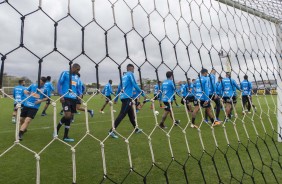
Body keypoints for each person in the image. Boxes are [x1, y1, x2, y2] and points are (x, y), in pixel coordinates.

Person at [108, 64, 145, 138]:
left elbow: (119, 88)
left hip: (124, 97)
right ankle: (111, 131)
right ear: (131, 69)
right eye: (133, 69)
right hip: (127, 98)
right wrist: (143, 94)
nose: (133, 71)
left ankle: (136, 129)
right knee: (122, 114)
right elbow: (134, 84)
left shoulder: (123, 77)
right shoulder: (130, 74)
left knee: (131, 115)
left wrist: (116, 99)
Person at [56, 63, 82, 142]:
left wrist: (80, 94)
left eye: (79, 70)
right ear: (73, 67)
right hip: (66, 97)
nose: (78, 71)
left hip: (73, 98)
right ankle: (56, 130)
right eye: (77, 70)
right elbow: (59, 84)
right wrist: (61, 95)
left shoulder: (77, 77)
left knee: (70, 117)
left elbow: (78, 88)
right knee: (67, 115)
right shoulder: (65, 73)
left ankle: (65, 136)